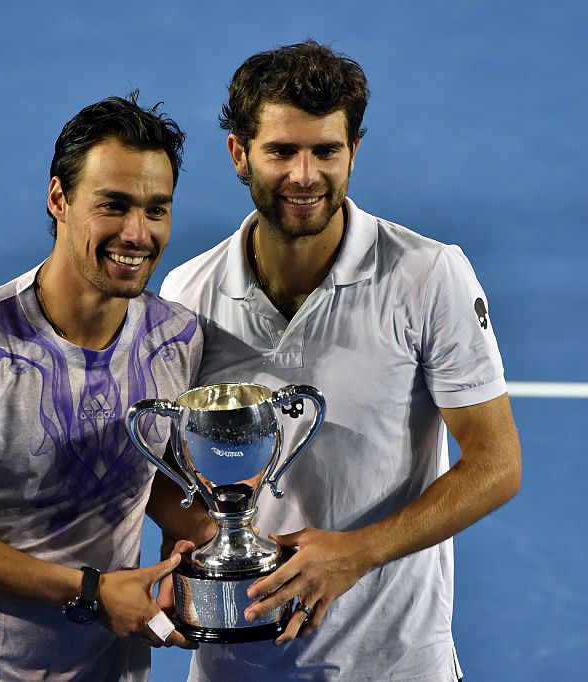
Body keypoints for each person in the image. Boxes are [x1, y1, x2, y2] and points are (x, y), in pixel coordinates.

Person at [159, 41, 522, 681]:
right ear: (238, 153)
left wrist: (357, 553)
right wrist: (195, 552)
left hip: (395, 664)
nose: (305, 175)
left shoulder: (429, 275)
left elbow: (496, 465)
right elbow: (178, 478)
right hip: (238, 664)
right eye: (281, 151)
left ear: (353, 151)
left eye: (326, 151)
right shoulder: (187, 293)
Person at [0, 93, 213, 681]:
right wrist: (91, 592)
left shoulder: (175, 336)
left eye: (157, 209)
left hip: (103, 667)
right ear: (58, 198)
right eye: (113, 205)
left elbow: (152, 474)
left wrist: (208, 543)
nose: (137, 233)